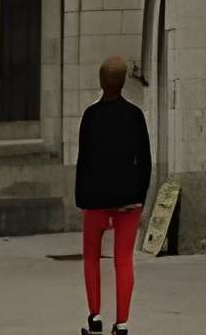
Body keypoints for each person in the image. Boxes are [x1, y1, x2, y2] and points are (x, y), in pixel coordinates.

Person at [72, 54, 152, 334]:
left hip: (95, 198)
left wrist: (80, 197)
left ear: (101, 82)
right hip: (129, 197)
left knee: (92, 256)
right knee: (123, 259)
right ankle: (122, 321)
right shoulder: (135, 115)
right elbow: (145, 159)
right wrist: (140, 193)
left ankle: (94, 316)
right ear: (122, 83)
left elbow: (84, 159)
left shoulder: (91, 116)